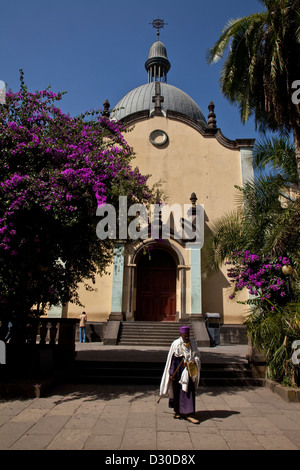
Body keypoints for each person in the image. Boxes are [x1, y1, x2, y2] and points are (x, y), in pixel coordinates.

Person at [159, 325, 201, 424]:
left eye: (188, 335)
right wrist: (171, 373)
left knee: (188, 390)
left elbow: (197, 355)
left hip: (188, 370)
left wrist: (194, 361)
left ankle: (188, 413)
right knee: (177, 390)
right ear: (181, 334)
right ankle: (177, 411)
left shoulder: (192, 343)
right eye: (185, 335)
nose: (187, 337)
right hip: (177, 369)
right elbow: (172, 359)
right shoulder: (176, 344)